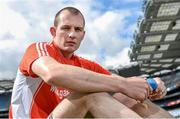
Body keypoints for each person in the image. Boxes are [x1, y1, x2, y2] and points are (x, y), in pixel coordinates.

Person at [9, 6, 173, 118]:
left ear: (83, 35)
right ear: (53, 32)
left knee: (130, 99)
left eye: (77, 29)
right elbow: (53, 73)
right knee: (91, 96)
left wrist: (152, 83)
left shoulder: (86, 65)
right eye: (66, 28)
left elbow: (123, 86)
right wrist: (123, 84)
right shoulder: (39, 49)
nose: (72, 34)